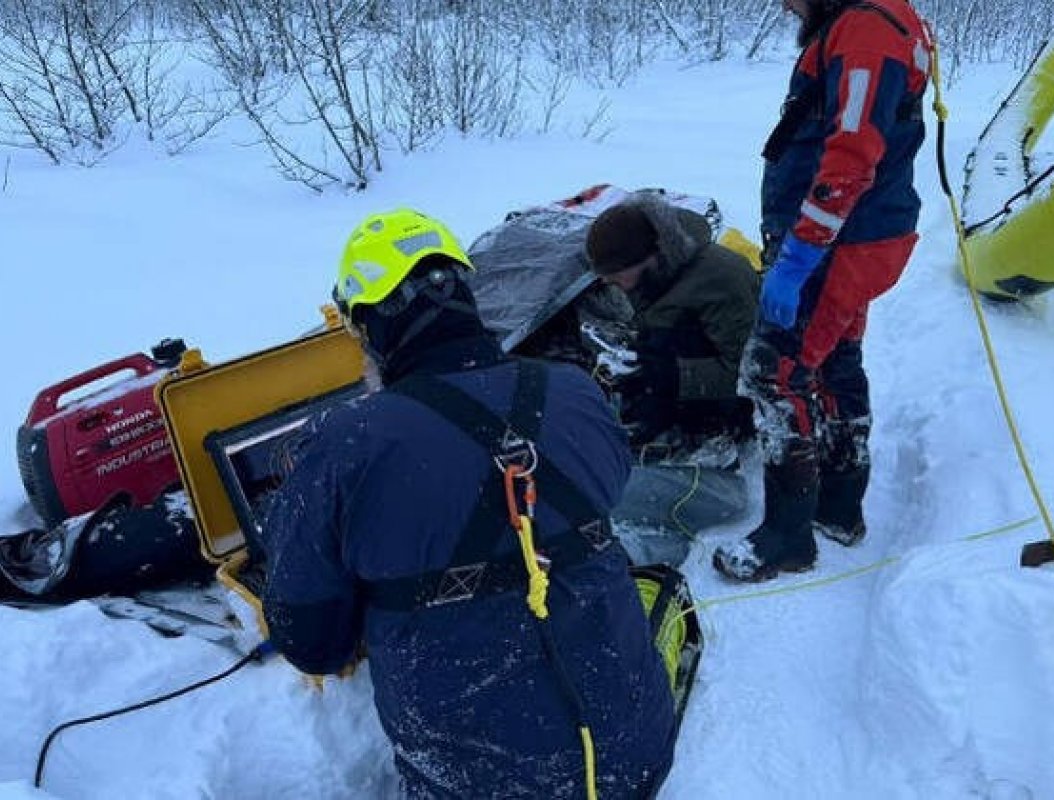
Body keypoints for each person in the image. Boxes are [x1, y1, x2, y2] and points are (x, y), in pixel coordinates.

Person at [259, 208, 677, 797]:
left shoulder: (344, 442)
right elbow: (603, 487)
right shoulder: (576, 391)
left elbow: (312, 643)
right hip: (636, 755)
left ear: (371, 325)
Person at [712, 0, 932, 582]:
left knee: (776, 372)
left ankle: (786, 537)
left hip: (839, 240)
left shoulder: (864, 30)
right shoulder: (872, 20)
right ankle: (839, 505)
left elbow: (853, 154)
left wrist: (799, 255)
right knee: (833, 359)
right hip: (857, 233)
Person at [584, 193, 761, 448]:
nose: (608, 281)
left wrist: (670, 375)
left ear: (651, 257)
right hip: (671, 392)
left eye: (615, 273)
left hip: (721, 409)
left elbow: (749, 375)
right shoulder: (649, 277)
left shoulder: (723, 281)